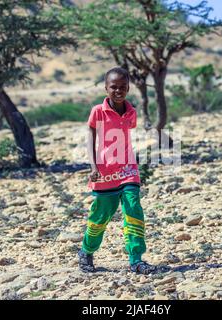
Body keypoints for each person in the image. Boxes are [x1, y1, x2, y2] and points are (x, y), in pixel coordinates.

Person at [77, 67, 157, 275]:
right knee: (101, 215)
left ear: (128, 88)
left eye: (123, 87)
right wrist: (93, 166)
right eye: (114, 87)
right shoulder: (98, 111)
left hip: (128, 168)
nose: (118, 90)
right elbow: (91, 137)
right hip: (104, 171)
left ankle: (136, 259)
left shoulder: (131, 112)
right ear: (106, 88)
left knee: (133, 207)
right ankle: (86, 251)